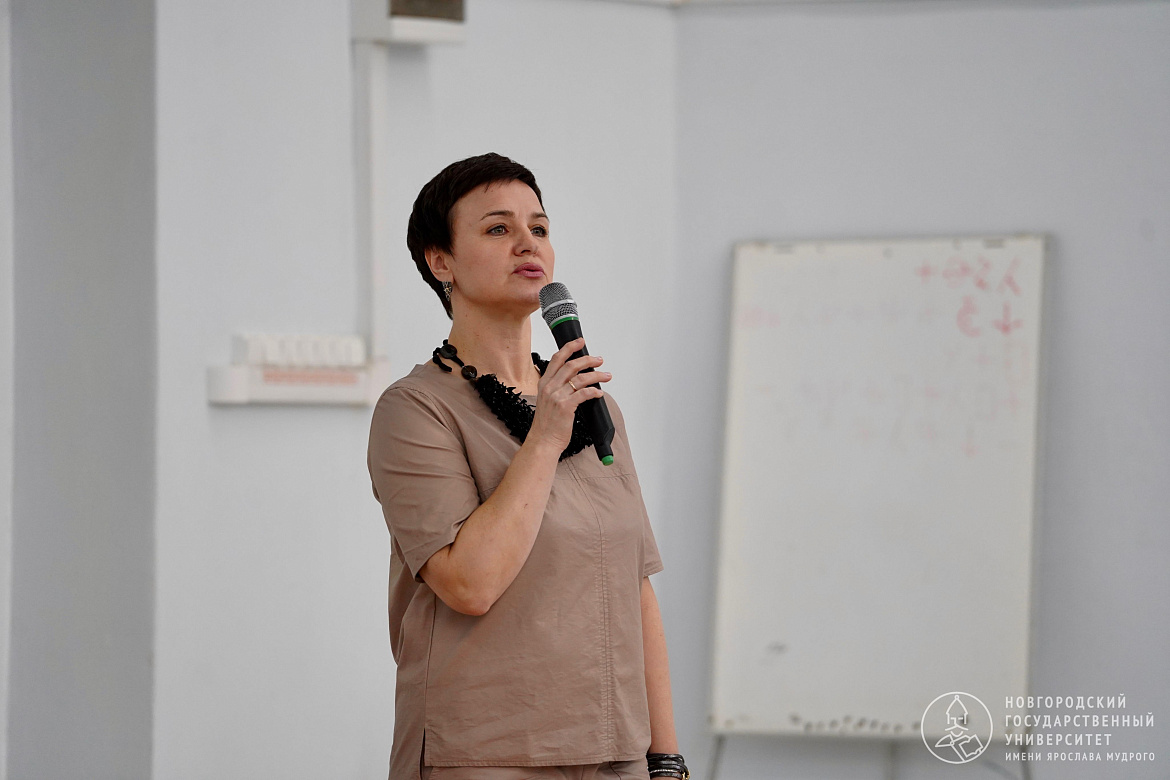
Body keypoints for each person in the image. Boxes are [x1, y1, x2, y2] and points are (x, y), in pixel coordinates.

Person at [366, 153, 689, 780]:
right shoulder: (416, 409)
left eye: (538, 228)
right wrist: (544, 438)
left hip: (616, 753)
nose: (527, 243)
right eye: (498, 228)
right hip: (487, 754)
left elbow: (635, 587)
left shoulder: (592, 405)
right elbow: (470, 584)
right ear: (441, 262)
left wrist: (666, 759)